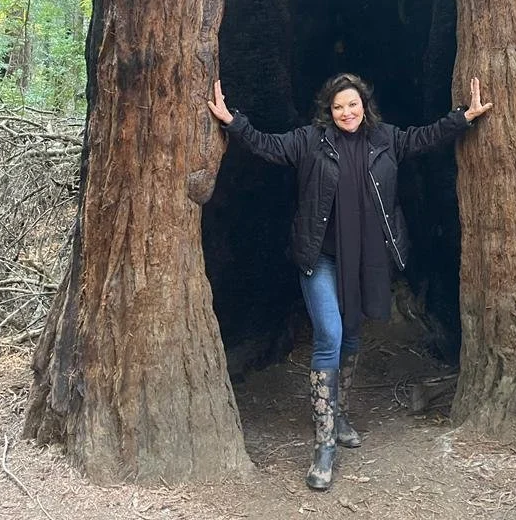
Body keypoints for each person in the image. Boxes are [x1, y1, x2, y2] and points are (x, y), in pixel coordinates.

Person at [208, 73, 492, 491]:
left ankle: (338, 414)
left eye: (353, 105)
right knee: (331, 334)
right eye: (339, 106)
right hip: (319, 258)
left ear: (365, 106)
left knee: (354, 337)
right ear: (329, 109)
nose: (346, 112)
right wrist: (232, 121)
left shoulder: (386, 140)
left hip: (367, 262)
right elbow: (268, 146)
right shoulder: (310, 141)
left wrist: (464, 116)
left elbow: (425, 138)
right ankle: (324, 446)